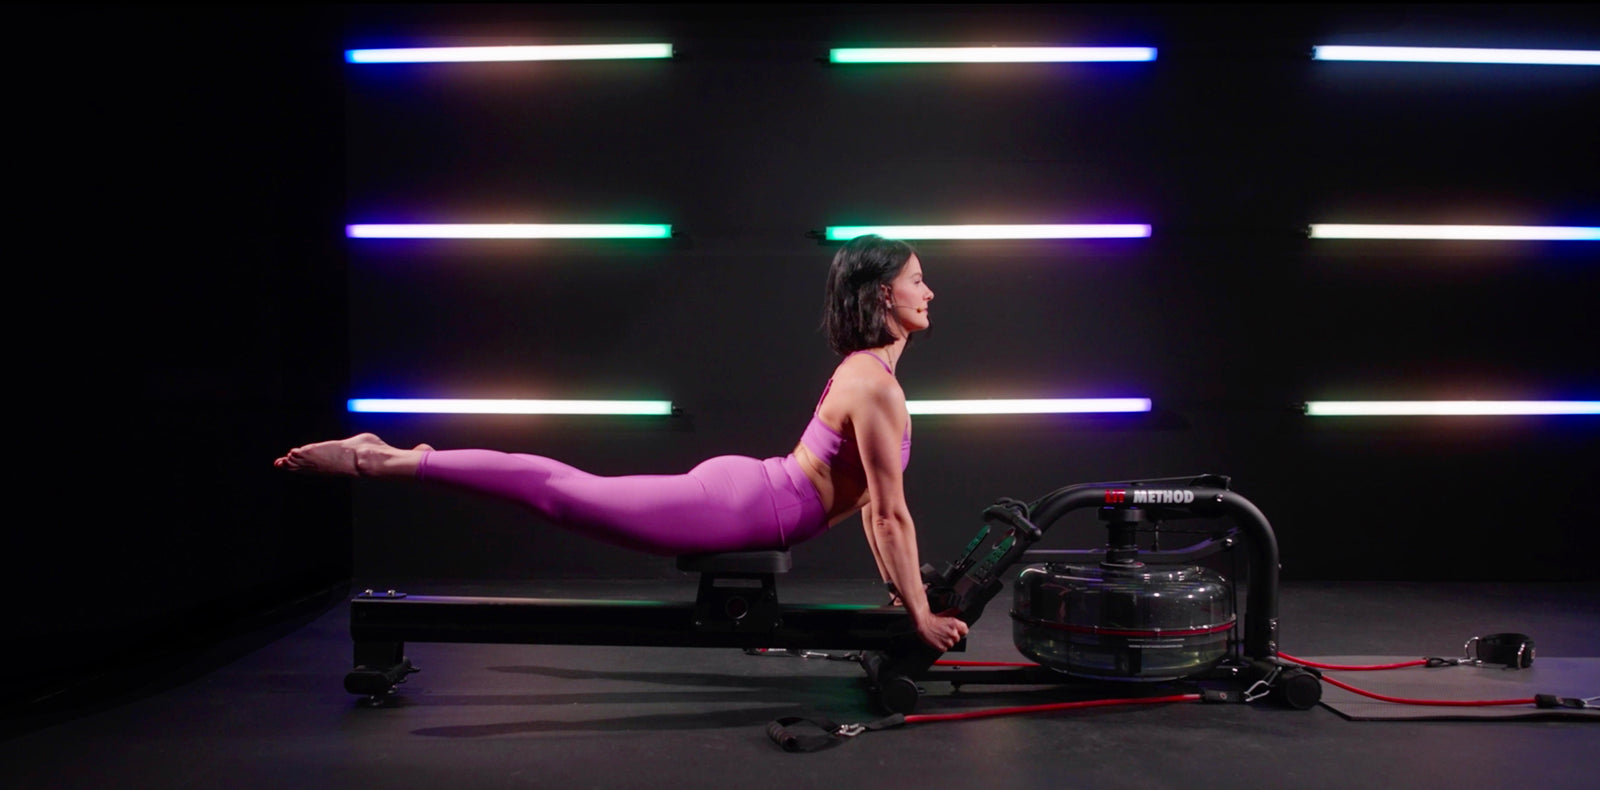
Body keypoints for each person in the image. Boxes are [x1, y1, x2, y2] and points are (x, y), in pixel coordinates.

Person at [276, 234, 967, 651]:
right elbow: (887, 513)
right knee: (564, 494)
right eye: (916, 279)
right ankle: (385, 458)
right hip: (742, 507)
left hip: (754, 493)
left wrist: (899, 594)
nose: (929, 291)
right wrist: (918, 614)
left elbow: (879, 510)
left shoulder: (870, 376)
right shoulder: (875, 386)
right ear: (883, 295)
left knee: (566, 492)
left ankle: (392, 457)